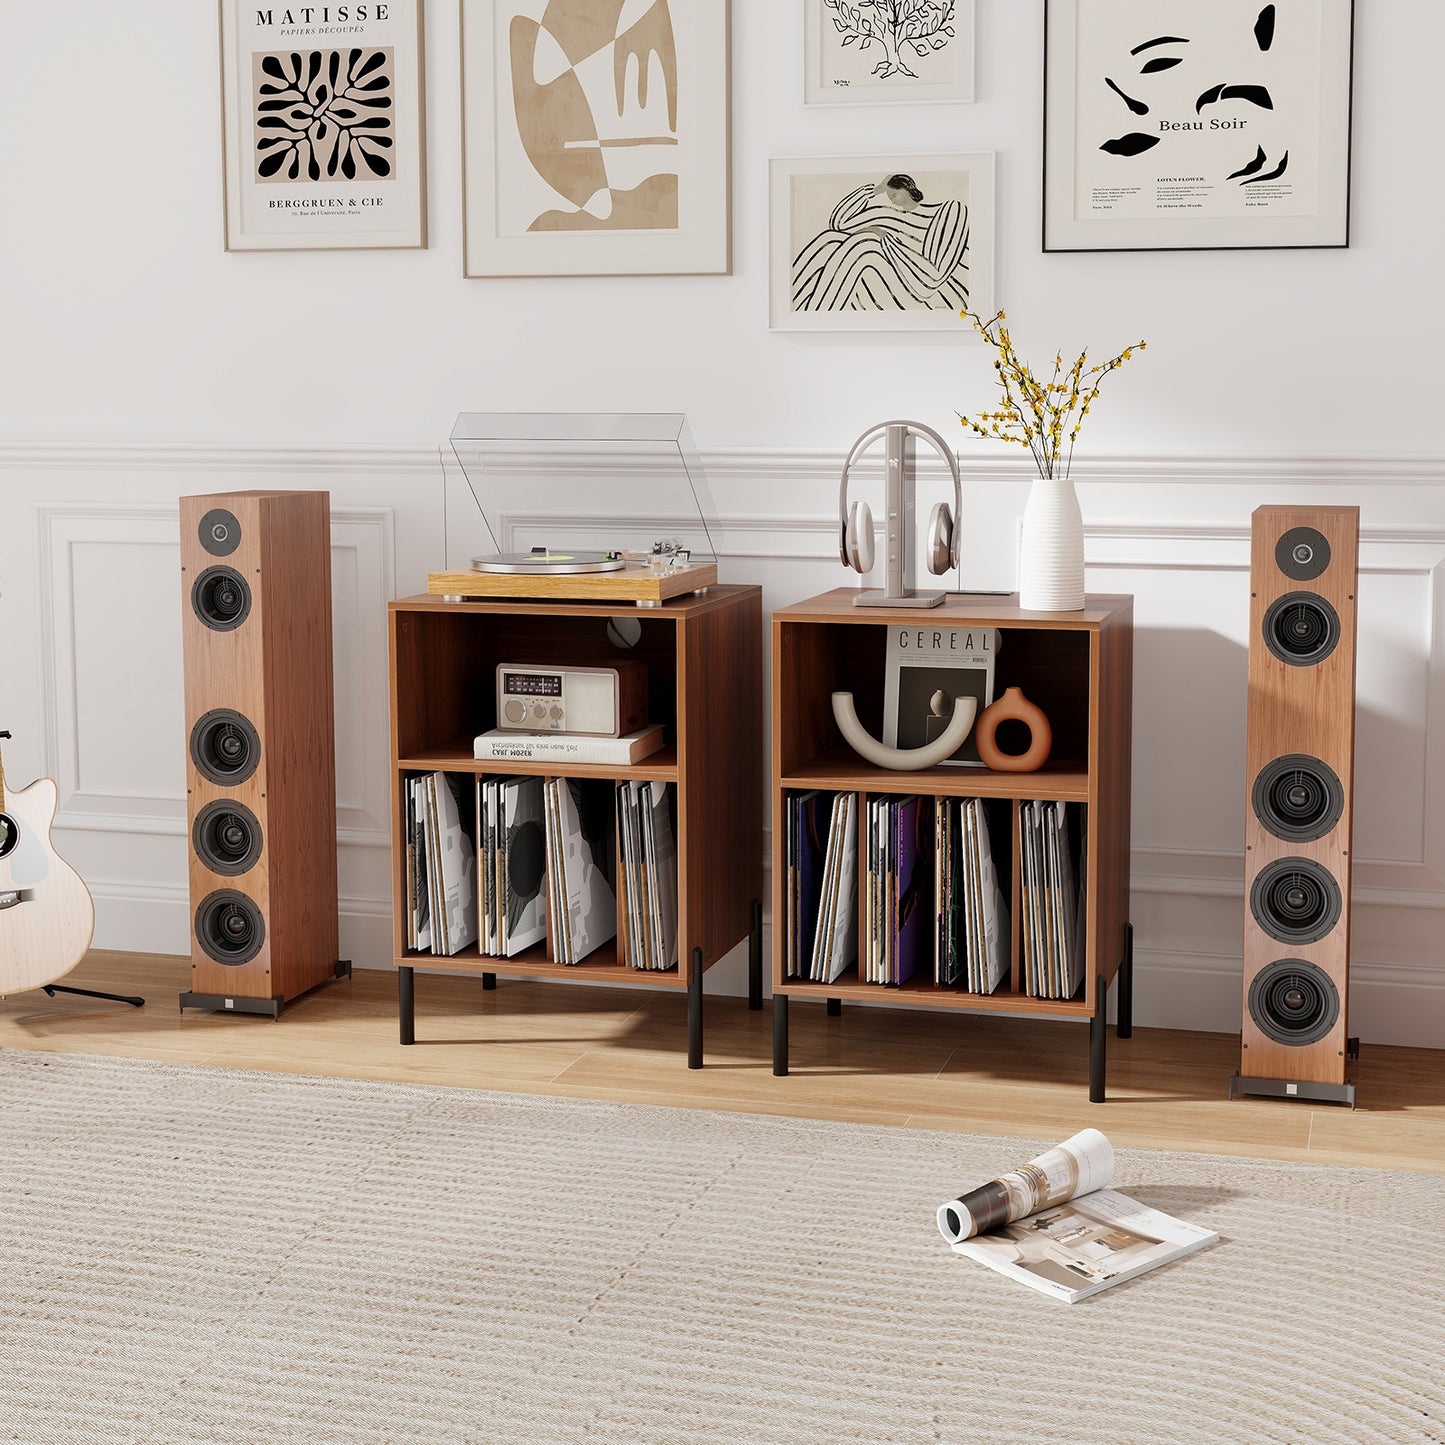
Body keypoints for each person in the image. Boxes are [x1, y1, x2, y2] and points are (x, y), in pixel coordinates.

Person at [791, 173, 970, 313]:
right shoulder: (889, 215)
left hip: (931, 298)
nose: (891, 199)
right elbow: (838, 223)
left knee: (865, 244)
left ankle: (817, 318)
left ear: (907, 188)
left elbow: (930, 281)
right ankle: (794, 309)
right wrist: (877, 189)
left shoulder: (950, 210)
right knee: (831, 240)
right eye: (889, 195)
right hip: (886, 285)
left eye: (894, 194)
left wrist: (884, 240)